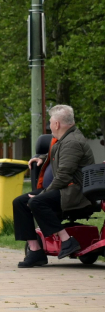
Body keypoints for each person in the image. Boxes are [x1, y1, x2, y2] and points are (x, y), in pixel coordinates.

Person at [14, 105, 95, 267]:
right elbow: (61, 156)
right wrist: (42, 158)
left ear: (57, 124)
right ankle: (35, 251)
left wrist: (43, 193)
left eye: (50, 122)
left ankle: (67, 241)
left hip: (75, 192)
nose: (49, 125)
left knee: (36, 201)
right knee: (20, 202)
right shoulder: (65, 139)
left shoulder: (72, 142)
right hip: (65, 189)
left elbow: (64, 176)